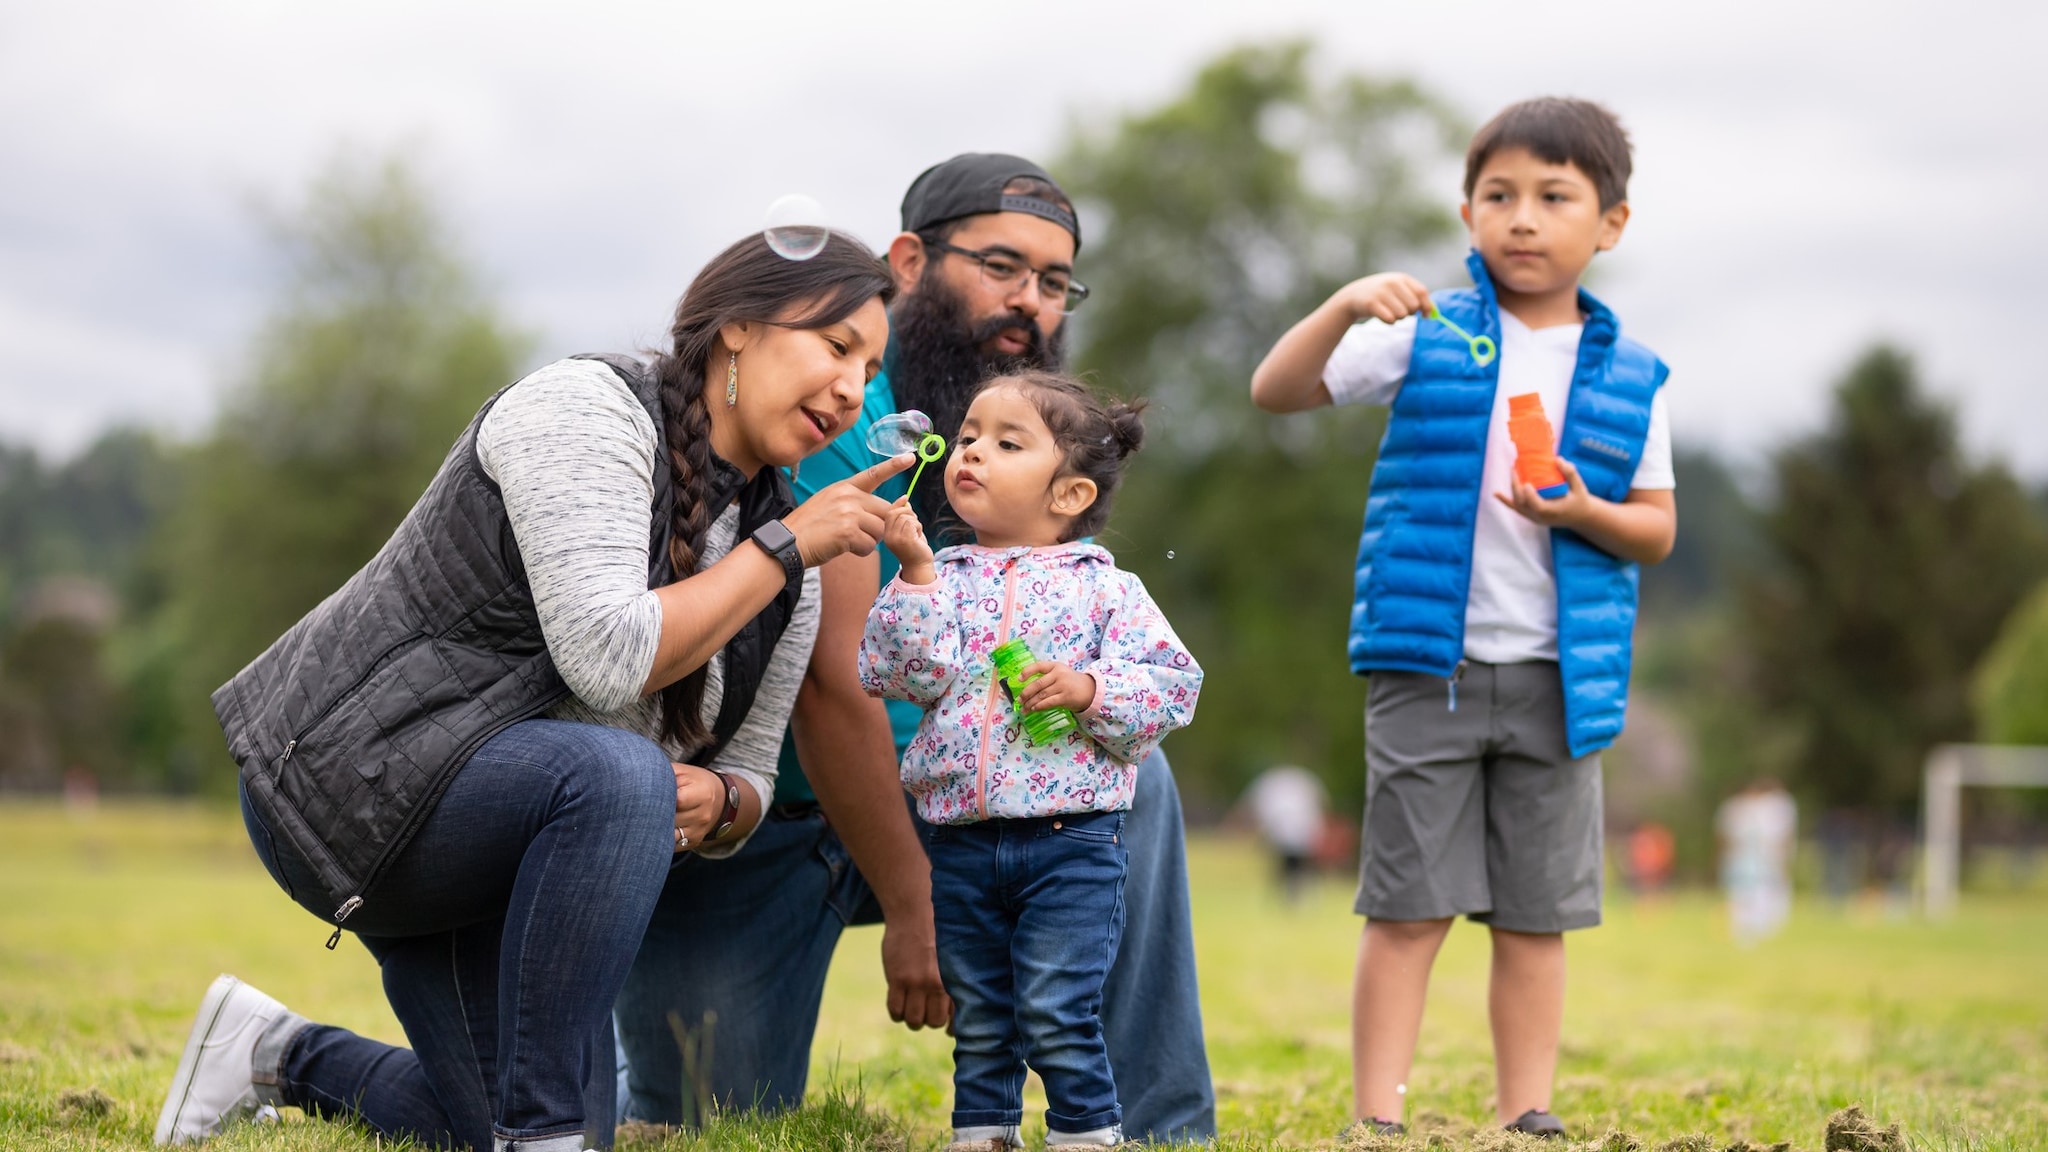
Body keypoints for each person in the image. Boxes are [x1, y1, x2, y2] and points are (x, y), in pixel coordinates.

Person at [154, 232, 913, 1150]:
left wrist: (722, 802)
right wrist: (784, 548)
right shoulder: (588, 412)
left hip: (504, 848)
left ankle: (274, 1051)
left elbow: (749, 772)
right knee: (618, 780)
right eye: (836, 347)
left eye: (869, 366)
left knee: (511, 1123)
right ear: (739, 329)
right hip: (345, 783)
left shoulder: (793, 565)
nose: (852, 387)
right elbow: (606, 656)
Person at [616, 154, 1218, 1144]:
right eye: (1000, 264)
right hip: (774, 821)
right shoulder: (832, 407)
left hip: (994, 804)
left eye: (1054, 281)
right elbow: (834, 691)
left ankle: (1157, 1131)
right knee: (695, 1110)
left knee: (1128, 778)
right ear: (910, 261)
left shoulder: (1032, 442)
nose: (1028, 301)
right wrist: (914, 904)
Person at [1250, 97, 1677, 1140]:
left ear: (1607, 225)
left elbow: (1654, 531)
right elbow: (1276, 389)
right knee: (1405, 908)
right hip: (1421, 666)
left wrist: (1580, 508)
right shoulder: (1427, 334)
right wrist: (1345, 306)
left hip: (1557, 680)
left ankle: (1526, 1111)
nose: (1521, 218)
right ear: (1464, 211)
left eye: (1551, 197)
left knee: (1536, 918)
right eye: (1498, 196)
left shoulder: (1629, 376)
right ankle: (1375, 1116)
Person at [862, 371, 1202, 1149]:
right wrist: (912, 574)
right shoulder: (940, 576)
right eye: (971, 435)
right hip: (962, 840)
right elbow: (893, 675)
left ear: (1070, 495)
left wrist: (1088, 690)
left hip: (1072, 842)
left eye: (1007, 443)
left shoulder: (1108, 591)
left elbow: (1173, 689)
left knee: (1055, 1008)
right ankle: (984, 1133)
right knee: (980, 1010)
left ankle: (1086, 1134)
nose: (972, 452)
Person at [1717, 779, 1796, 944]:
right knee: (1743, 892)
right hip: (1745, 860)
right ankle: (1744, 925)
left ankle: (1760, 923)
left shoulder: (1769, 810)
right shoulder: (1737, 810)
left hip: (1761, 860)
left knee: (1762, 890)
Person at [1243, 765, 1329, 904]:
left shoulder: (1276, 784)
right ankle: (1290, 896)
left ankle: (1294, 896)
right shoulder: (1302, 782)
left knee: (1295, 868)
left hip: (1295, 835)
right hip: (1290, 836)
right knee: (1291, 867)